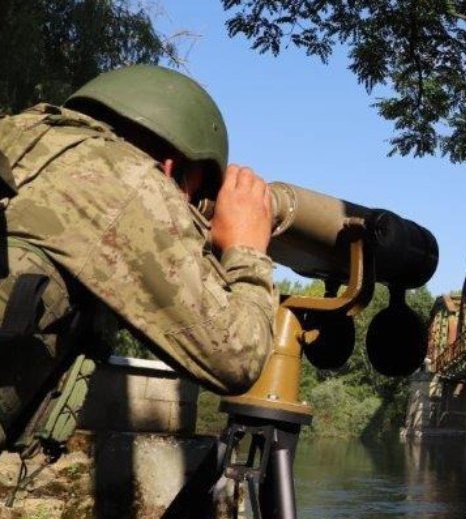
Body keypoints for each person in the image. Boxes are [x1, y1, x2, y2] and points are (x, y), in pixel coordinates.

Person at [0, 64, 277, 452]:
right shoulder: (130, 180)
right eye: (190, 196)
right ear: (170, 168)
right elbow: (235, 357)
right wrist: (247, 249)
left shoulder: (20, 133)